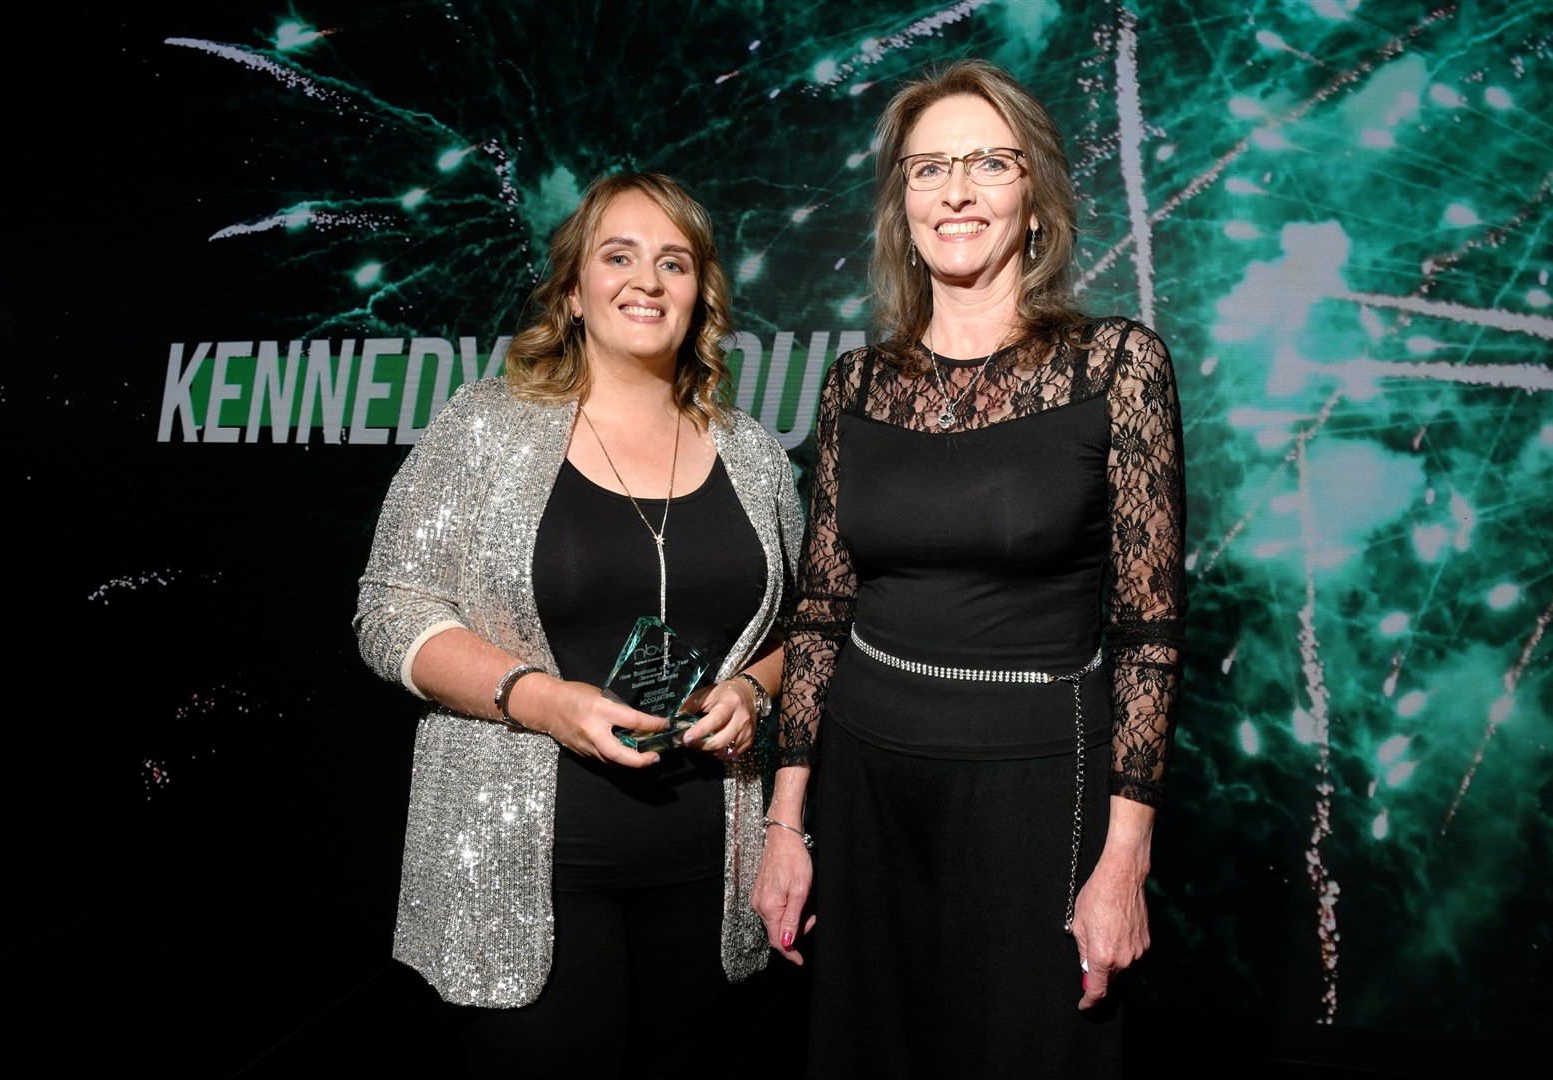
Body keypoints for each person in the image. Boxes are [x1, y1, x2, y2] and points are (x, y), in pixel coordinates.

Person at [750, 58, 1186, 1076]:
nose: (955, 191)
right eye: (927, 168)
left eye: (988, 163)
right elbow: (819, 612)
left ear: (1032, 195)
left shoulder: (1118, 365)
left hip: (1040, 790)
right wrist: (785, 820)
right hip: (864, 792)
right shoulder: (855, 382)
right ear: (902, 204)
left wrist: (1125, 860)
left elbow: (1150, 636)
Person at [354, 171, 803, 1078]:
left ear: (700, 295)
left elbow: (806, 629)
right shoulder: (486, 427)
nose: (647, 280)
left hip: (709, 867)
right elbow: (388, 609)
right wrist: (540, 699)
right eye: (619, 256)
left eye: (673, 262)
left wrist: (756, 689)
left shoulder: (752, 452)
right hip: (524, 866)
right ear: (573, 292)